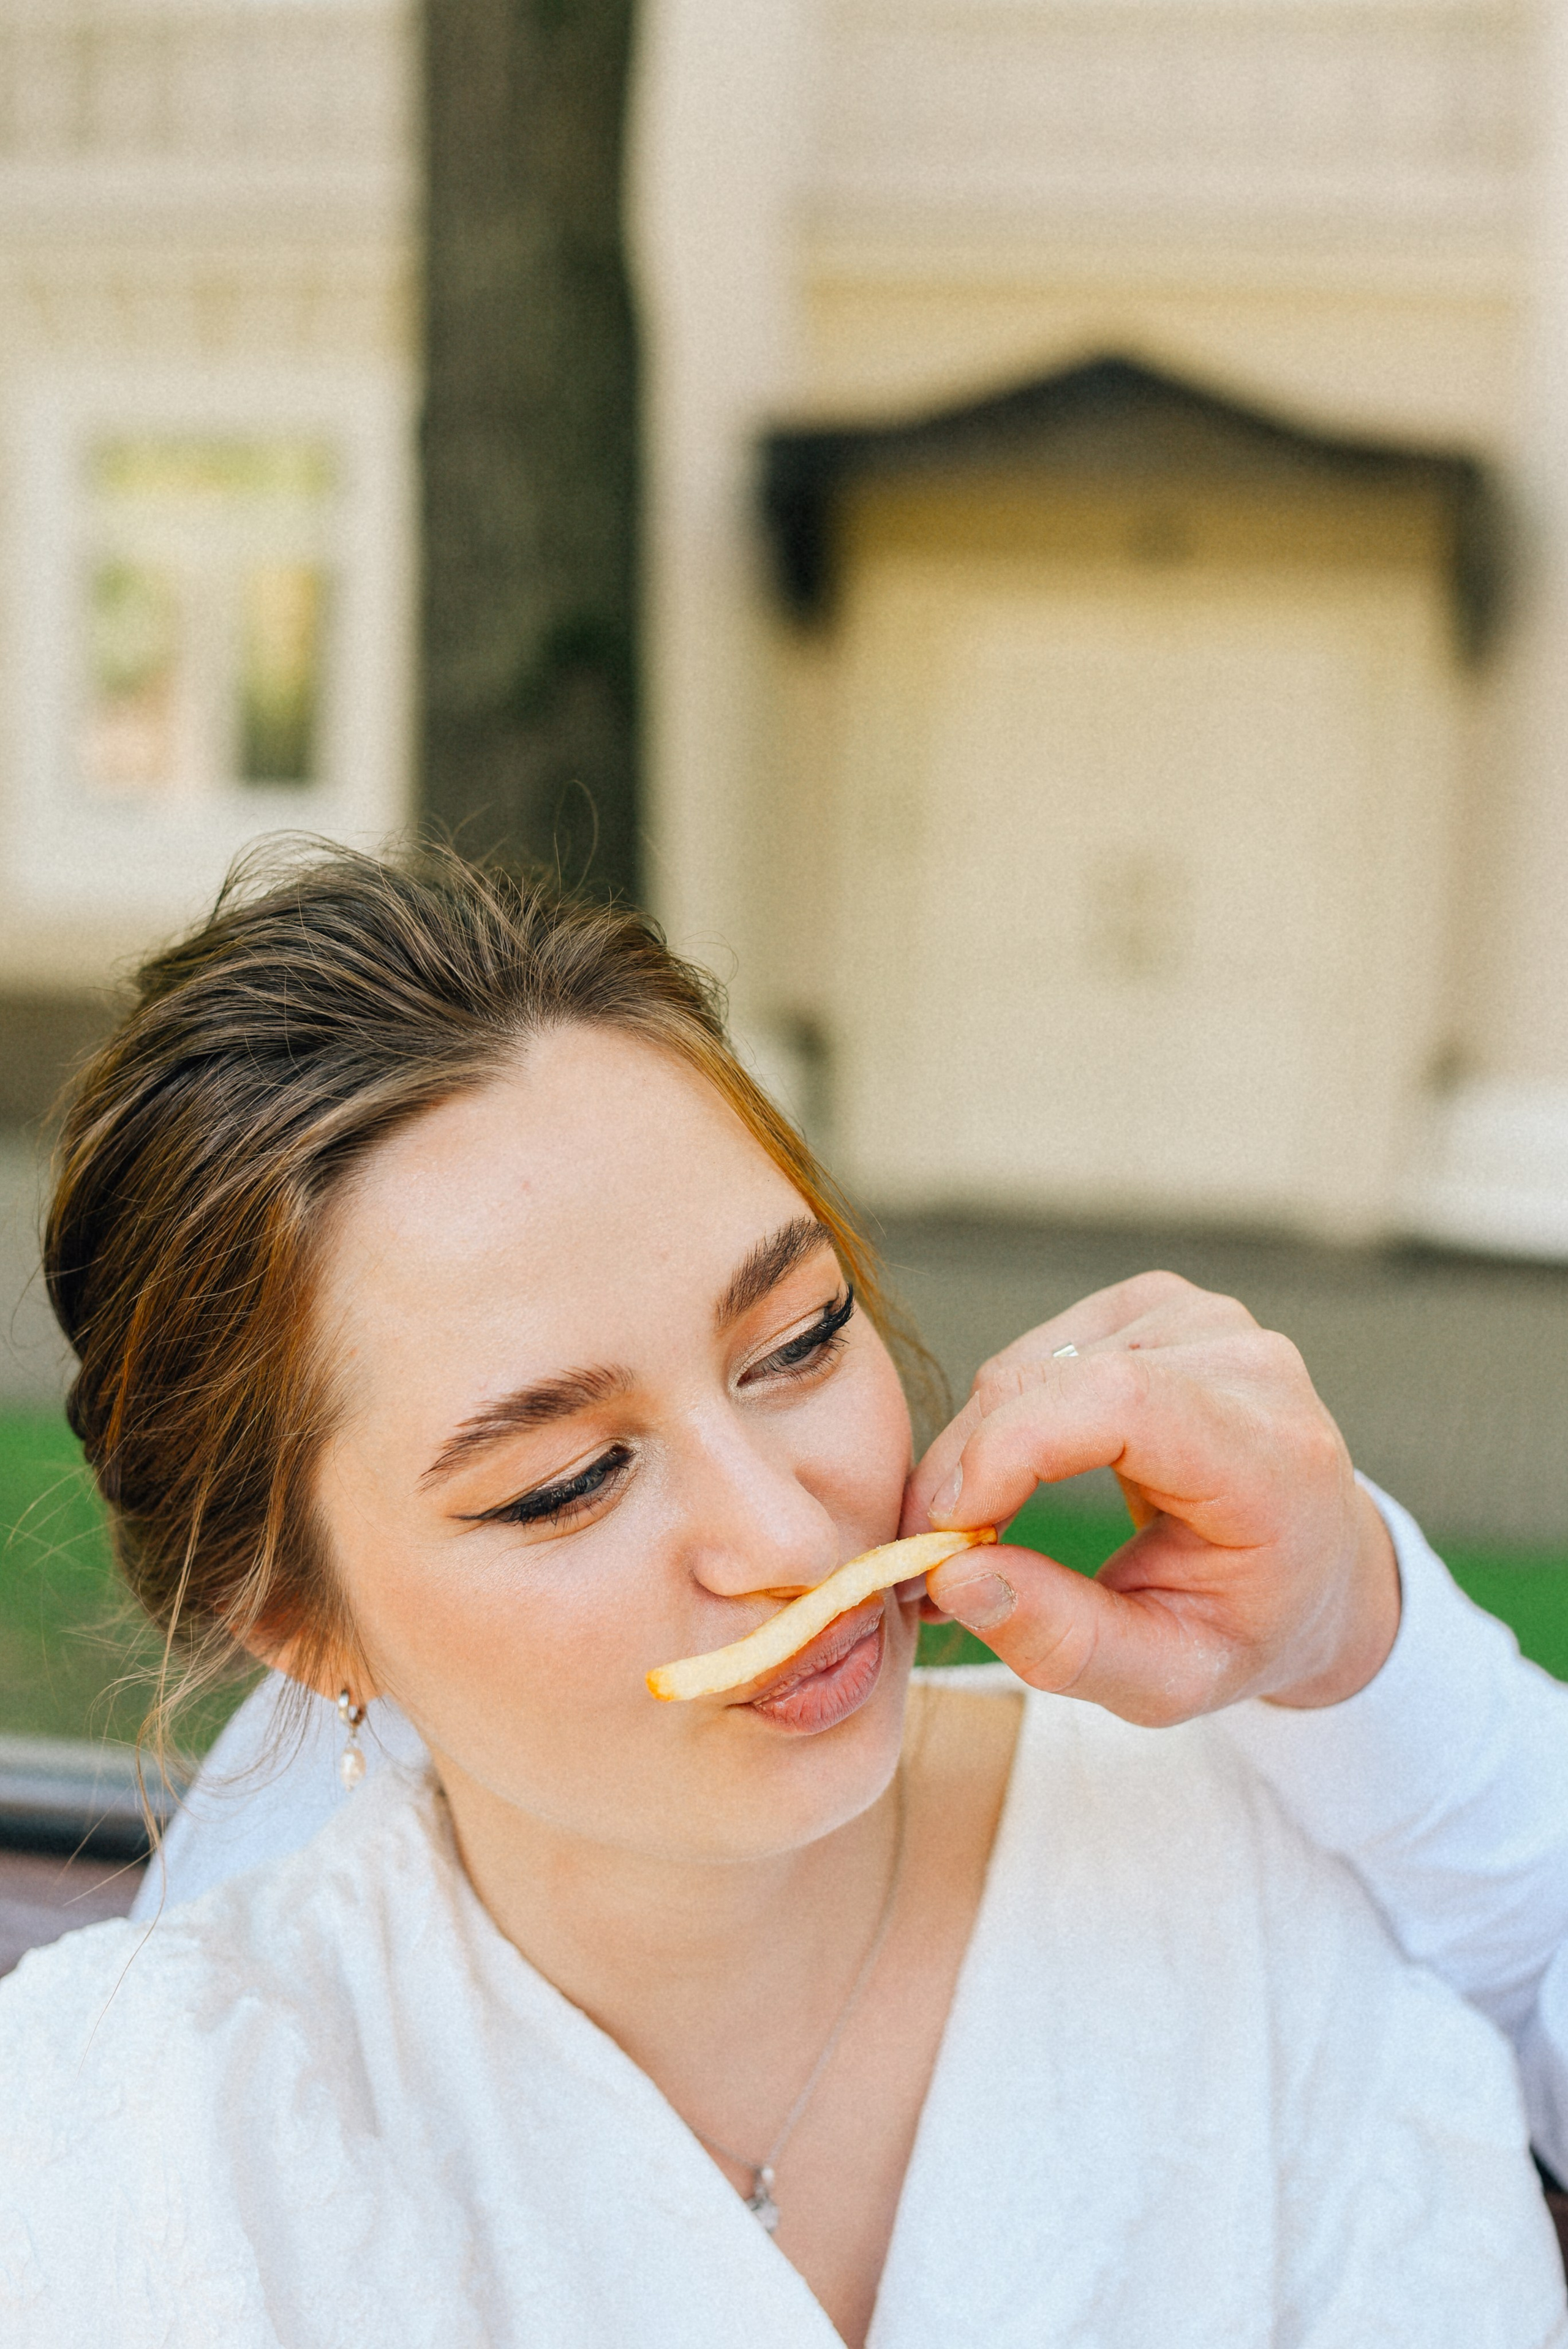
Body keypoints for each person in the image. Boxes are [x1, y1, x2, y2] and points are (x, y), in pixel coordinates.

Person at [2, 842, 1562, 2349]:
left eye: (802, 1338)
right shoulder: (144, 2147)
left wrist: (1351, 1620)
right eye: (565, 1481)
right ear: (299, 1623)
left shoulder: (1260, 1872)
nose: (781, 1531)